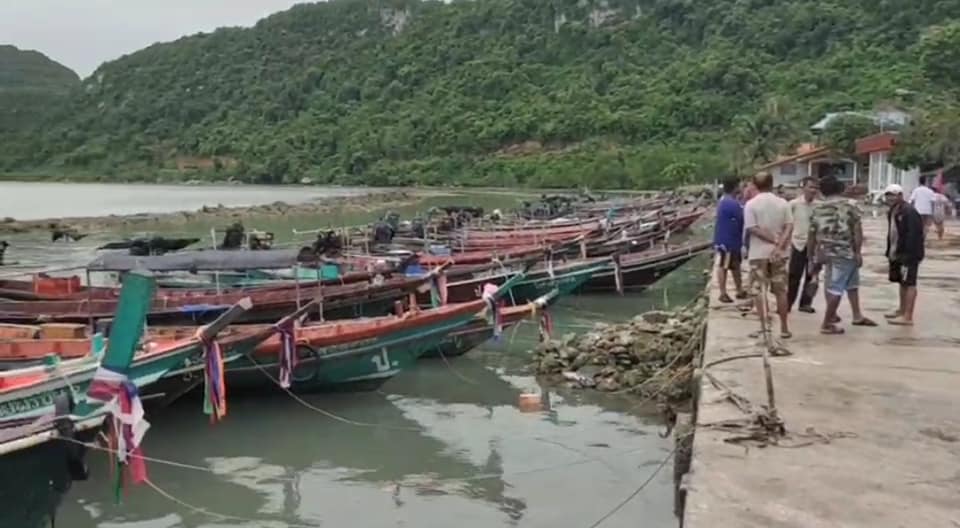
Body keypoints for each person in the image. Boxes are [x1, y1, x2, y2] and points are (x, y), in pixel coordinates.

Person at [807, 175, 876, 335]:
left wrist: (811, 257)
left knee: (850, 283)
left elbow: (812, 235)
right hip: (844, 251)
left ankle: (856, 315)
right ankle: (826, 323)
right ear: (841, 189)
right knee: (836, 288)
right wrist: (858, 252)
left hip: (825, 251)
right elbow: (857, 231)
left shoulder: (817, 209)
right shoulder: (851, 206)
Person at [744, 171, 794, 338]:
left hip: (758, 253)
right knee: (781, 291)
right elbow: (789, 226)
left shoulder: (751, 204)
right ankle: (784, 328)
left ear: (755, 185)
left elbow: (752, 228)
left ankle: (765, 328)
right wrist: (779, 244)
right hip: (780, 254)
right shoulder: (783, 203)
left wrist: (771, 239)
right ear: (772, 184)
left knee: (759, 290)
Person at [884, 184, 925, 326]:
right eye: (888, 195)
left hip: (909, 254)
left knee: (909, 283)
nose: (890, 197)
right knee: (902, 282)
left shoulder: (909, 212)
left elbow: (915, 234)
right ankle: (902, 310)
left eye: (894, 195)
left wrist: (910, 254)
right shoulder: (893, 211)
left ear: (901, 195)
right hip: (897, 252)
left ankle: (908, 316)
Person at [787, 177, 820, 313]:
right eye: (810, 187)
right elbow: (787, 224)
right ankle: (787, 303)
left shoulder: (819, 206)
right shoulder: (793, 204)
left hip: (815, 246)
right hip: (798, 244)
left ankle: (805, 303)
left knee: (811, 275)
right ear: (803, 188)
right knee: (794, 275)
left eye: (815, 187)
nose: (813, 190)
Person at [713, 177, 747, 303]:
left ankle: (739, 290)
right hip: (728, 241)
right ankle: (723, 293)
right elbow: (742, 218)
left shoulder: (726, 201)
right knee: (724, 266)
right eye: (740, 186)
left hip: (729, 239)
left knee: (735, 265)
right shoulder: (731, 203)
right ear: (735, 187)